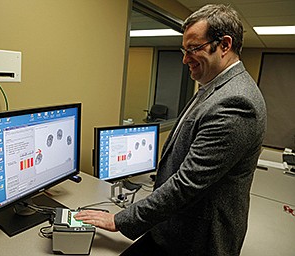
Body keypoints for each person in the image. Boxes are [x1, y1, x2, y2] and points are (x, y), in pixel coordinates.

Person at [75, 4, 267, 255]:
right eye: (183, 50)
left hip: (196, 239)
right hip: (174, 225)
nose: (185, 59)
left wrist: (119, 220)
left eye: (193, 49)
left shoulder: (236, 102)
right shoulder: (214, 86)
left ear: (225, 45)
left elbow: (187, 184)